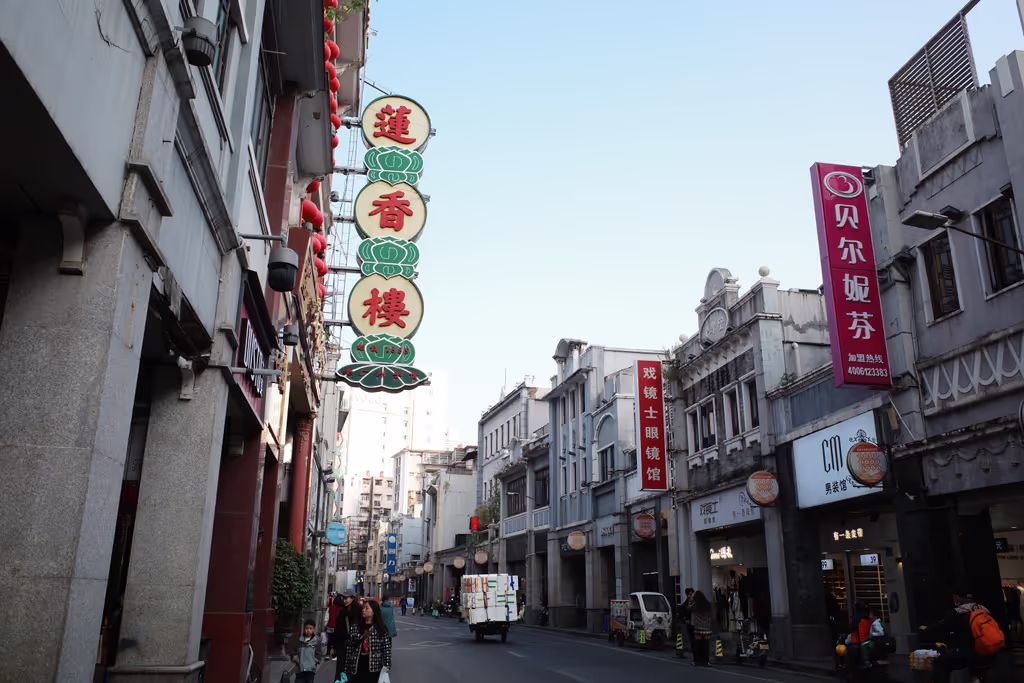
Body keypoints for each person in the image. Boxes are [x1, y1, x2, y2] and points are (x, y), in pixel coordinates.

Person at [920, 591, 1001, 683]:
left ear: (959, 598)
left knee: (939, 662)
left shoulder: (957, 612)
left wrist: (927, 629)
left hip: (967, 655)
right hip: (989, 654)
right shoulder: (985, 610)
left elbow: (941, 625)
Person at [343, 599, 393, 683]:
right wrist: (346, 667)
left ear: (373, 612)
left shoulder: (380, 629)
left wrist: (387, 665)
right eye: (363, 608)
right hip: (357, 665)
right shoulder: (356, 627)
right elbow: (349, 647)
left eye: (366, 608)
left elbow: (386, 649)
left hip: (374, 667)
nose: (363, 610)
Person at [332, 589, 360, 682]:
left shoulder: (359, 611)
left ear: (353, 598)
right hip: (342, 646)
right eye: (344, 598)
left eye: (347, 598)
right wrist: (333, 646)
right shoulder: (342, 612)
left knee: (351, 671)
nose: (345, 600)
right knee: (340, 670)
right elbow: (337, 629)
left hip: (354, 647)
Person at [292, 619, 321, 683]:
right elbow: (294, 651)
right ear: (304, 628)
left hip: (310, 670)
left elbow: (318, 654)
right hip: (300, 668)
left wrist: (314, 662)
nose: (308, 630)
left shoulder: (316, 641)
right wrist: (296, 659)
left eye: (310, 628)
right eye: (306, 628)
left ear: (314, 629)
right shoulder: (299, 640)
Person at [691, 590, 714, 667]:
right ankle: (706, 660)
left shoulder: (695, 605)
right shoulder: (707, 604)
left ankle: (698, 660)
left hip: (698, 627)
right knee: (706, 644)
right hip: (707, 627)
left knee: (698, 644)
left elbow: (689, 608)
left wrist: (691, 599)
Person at [681, 588, 696, 661]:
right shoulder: (685, 604)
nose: (691, 596)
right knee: (692, 640)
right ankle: (695, 656)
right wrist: (685, 620)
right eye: (689, 594)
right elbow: (681, 613)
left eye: (692, 594)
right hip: (690, 624)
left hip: (696, 624)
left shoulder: (695, 603)